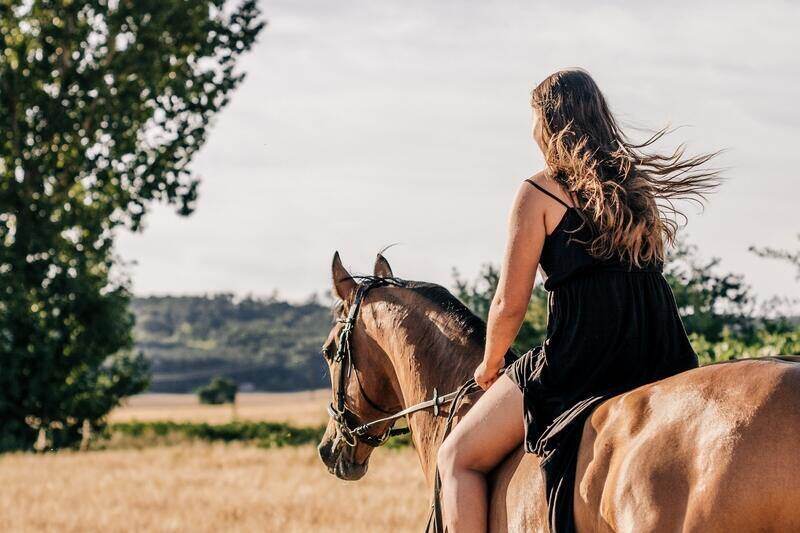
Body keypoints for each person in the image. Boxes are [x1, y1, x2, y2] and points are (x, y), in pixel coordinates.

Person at [435, 68, 720, 533]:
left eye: (534, 119)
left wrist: (489, 364)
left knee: (455, 457)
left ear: (549, 122)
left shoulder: (540, 191)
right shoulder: (635, 188)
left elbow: (509, 303)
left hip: (582, 358)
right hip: (657, 351)